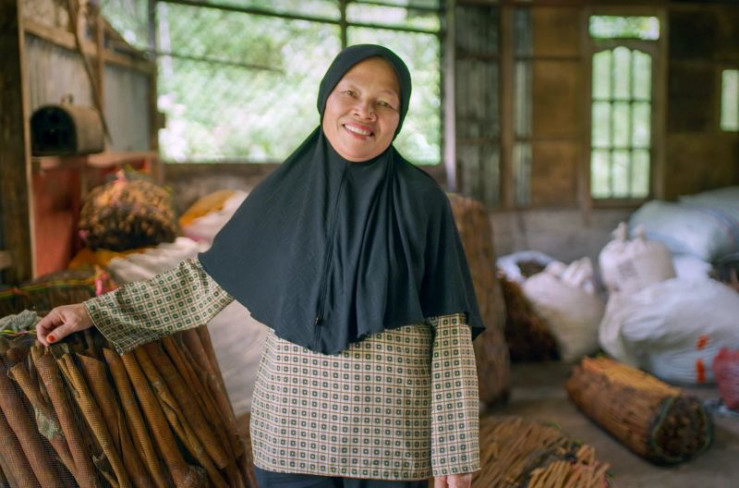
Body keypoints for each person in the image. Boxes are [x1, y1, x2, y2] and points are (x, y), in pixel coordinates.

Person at [37, 44, 484, 488]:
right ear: (326, 98)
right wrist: (93, 312)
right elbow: (203, 285)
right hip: (291, 437)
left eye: (384, 102)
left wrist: (455, 446)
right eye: (350, 93)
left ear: (399, 116)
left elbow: (450, 328)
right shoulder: (281, 195)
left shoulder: (423, 202)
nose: (364, 111)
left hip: (392, 444)